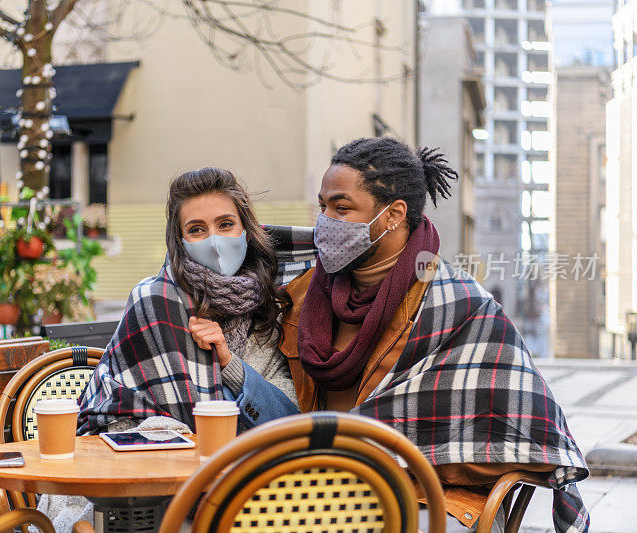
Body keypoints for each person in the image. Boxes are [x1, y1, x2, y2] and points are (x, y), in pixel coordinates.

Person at [278, 137, 589, 533]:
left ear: (393, 215)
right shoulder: (300, 292)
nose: (325, 221)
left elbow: (524, 430)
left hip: (428, 496)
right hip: (311, 487)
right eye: (323, 207)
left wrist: (390, 457)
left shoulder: (463, 306)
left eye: (341, 208)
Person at [77, 167, 299, 436]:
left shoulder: (271, 306)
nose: (214, 240)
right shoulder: (154, 301)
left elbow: (288, 416)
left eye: (226, 224)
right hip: (166, 464)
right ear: (180, 241)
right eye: (197, 229)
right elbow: (121, 418)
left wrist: (228, 363)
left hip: (253, 467)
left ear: (246, 230)